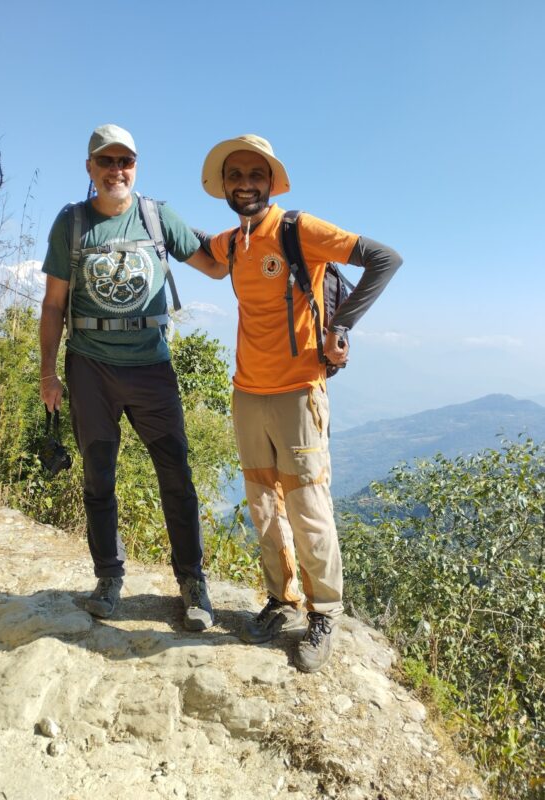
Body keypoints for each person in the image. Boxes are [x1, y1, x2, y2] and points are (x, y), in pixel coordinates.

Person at [198, 134, 402, 672]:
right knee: (264, 507)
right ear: (224, 186)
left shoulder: (297, 230)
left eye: (255, 175)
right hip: (247, 392)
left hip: (298, 392)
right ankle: (281, 599)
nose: (245, 184)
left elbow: (384, 258)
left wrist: (341, 325)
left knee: (308, 508)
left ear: (270, 181)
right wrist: (150, 220)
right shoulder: (234, 242)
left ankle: (324, 613)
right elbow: (202, 252)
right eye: (235, 175)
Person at [40, 124, 226, 630]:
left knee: (177, 477)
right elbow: (54, 303)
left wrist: (255, 234)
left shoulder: (157, 216)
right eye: (106, 161)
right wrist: (49, 373)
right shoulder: (72, 223)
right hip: (91, 369)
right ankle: (108, 577)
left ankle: (192, 583)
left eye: (125, 161)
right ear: (90, 168)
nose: (116, 170)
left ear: (136, 166)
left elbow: (214, 267)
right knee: (98, 478)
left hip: (151, 367)